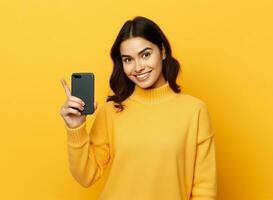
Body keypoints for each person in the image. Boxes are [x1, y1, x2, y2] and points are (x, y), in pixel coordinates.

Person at [60, 16, 217, 200]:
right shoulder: (111, 112)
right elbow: (86, 176)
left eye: (145, 54)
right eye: (128, 60)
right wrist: (75, 128)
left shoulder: (194, 111)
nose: (138, 67)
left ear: (163, 52)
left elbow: (205, 189)